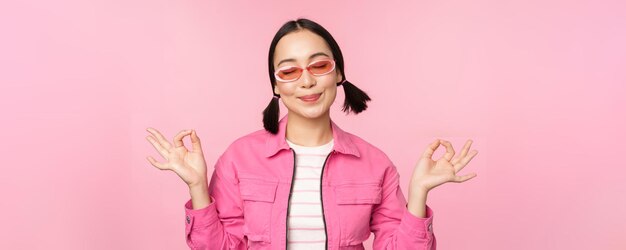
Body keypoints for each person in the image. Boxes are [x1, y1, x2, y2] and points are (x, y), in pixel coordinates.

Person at [145, 18, 478, 250]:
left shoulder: (375, 164)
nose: (306, 81)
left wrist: (418, 193)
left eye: (319, 66)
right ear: (276, 85)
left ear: (338, 73)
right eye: (289, 71)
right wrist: (197, 187)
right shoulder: (239, 158)